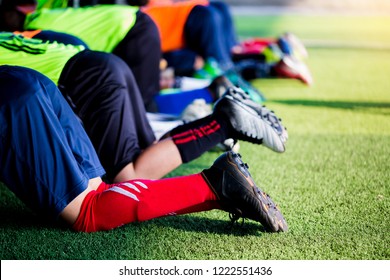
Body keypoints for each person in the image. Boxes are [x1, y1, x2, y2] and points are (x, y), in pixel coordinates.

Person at [0, 65, 288, 233]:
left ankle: (215, 176)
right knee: (102, 190)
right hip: (30, 77)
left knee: (89, 209)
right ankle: (220, 189)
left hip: (20, 96)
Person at [0, 33, 288, 185]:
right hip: (98, 63)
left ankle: (222, 123)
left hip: (87, 78)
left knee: (127, 177)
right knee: (146, 155)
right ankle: (211, 119)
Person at [0, 0, 162, 112]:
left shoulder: (36, 28)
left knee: (140, 105)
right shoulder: (45, 17)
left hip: (131, 33)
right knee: (135, 105)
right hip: (130, 25)